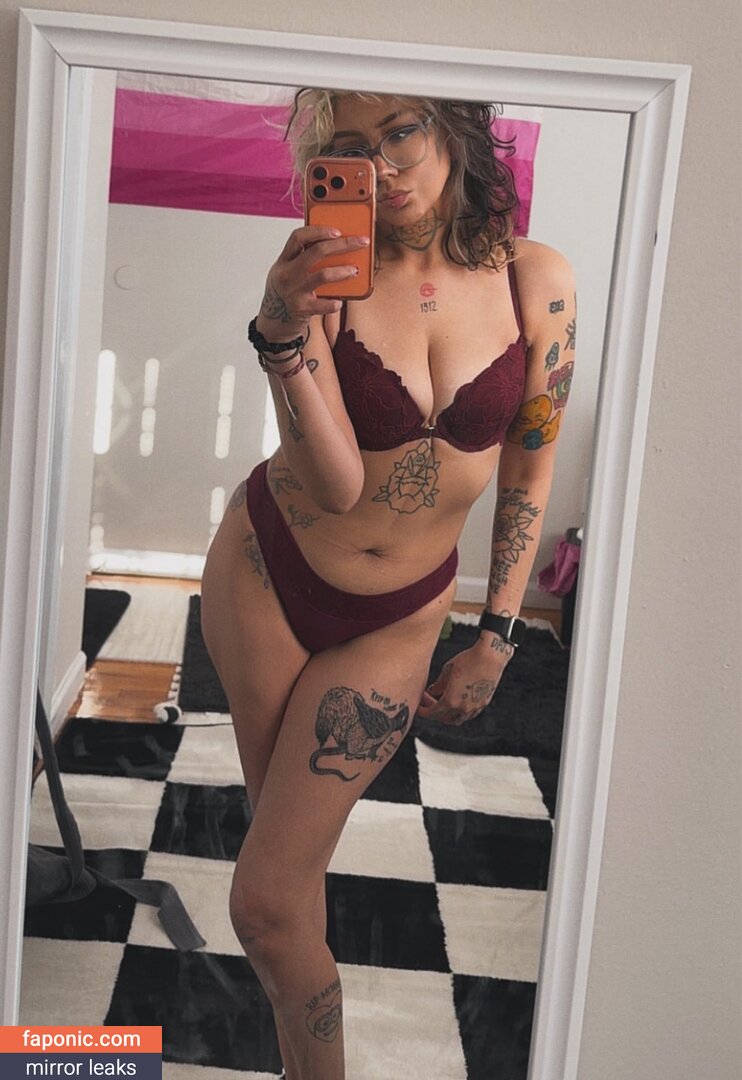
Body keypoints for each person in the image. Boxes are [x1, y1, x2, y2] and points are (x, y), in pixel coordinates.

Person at [200, 87, 576, 1080]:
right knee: (281, 888)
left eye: (401, 131)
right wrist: (282, 335)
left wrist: (497, 633)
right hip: (269, 570)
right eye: (351, 148)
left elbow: (529, 466)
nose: (382, 165)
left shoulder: (535, 281)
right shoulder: (326, 272)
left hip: (399, 618)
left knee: (270, 895)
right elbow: (335, 481)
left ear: (453, 128)